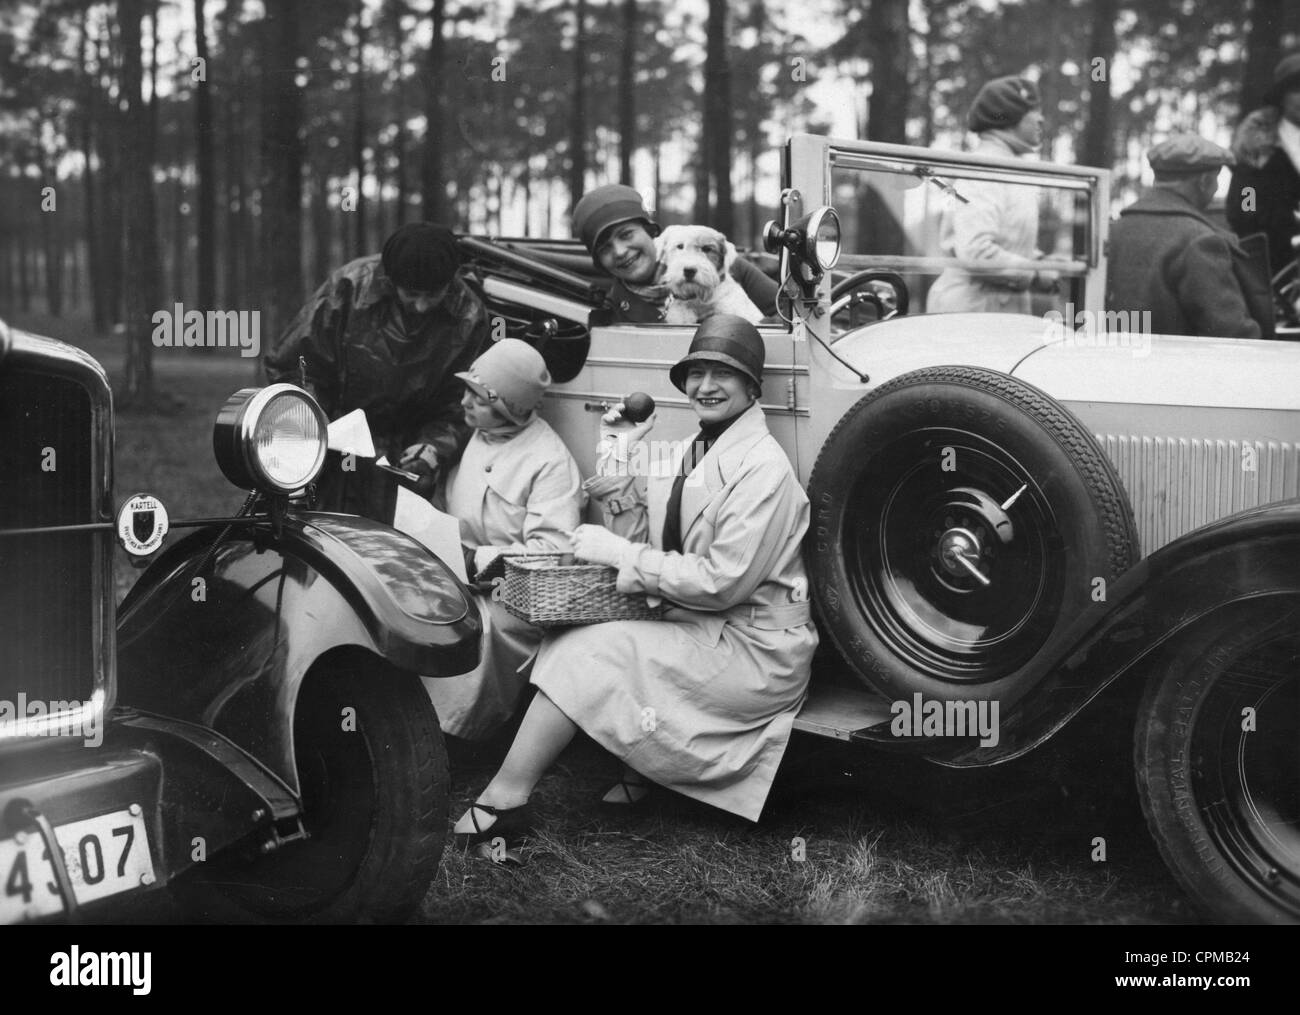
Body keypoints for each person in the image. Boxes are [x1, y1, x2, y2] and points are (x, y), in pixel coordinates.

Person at [451, 315, 818, 849]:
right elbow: (650, 541)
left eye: (723, 374)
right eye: (696, 372)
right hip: (703, 625)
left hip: (755, 648)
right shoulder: (693, 446)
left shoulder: (764, 469)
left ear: (752, 386)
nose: (706, 386)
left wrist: (620, 551)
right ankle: (641, 771)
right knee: (573, 642)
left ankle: (504, 801)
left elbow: (721, 583)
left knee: (586, 653)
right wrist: (619, 456)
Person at [263, 222, 491, 506]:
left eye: (432, 296)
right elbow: (293, 364)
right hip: (329, 447)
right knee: (310, 538)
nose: (421, 306)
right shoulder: (349, 288)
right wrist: (315, 418)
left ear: (450, 283)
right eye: (411, 294)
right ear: (390, 281)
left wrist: (433, 448)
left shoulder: (468, 315)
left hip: (407, 461)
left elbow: (462, 403)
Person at [423, 339, 583, 742]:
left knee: (476, 628)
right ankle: (414, 719)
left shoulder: (549, 461)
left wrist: (477, 558)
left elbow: (554, 556)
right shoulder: (477, 434)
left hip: (511, 593)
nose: (463, 404)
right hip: (454, 567)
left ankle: (455, 734)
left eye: (476, 398)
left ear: (509, 408)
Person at [1106, 134, 1272, 340]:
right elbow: (1232, 333)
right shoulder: (1201, 241)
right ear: (1204, 182)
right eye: (1216, 180)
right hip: (1177, 369)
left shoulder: (1115, 230)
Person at [927, 76, 1059, 313]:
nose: (1041, 120)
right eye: (1033, 112)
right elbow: (976, 250)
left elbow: (1006, 236)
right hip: (971, 312)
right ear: (1010, 117)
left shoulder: (1008, 165)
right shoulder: (986, 168)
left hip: (995, 307)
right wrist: (1034, 272)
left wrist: (1040, 261)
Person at [571, 184, 779, 323]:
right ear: (600, 261)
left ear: (651, 232)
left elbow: (787, 313)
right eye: (605, 248)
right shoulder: (616, 309)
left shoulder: (722, 266)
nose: (619, 252)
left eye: (626, 235)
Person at [1227, 53, 1300, 279]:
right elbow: (1245, 206)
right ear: (1282, 96)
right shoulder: (1256, 152)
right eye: (1297, 89)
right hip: (1275, 264)